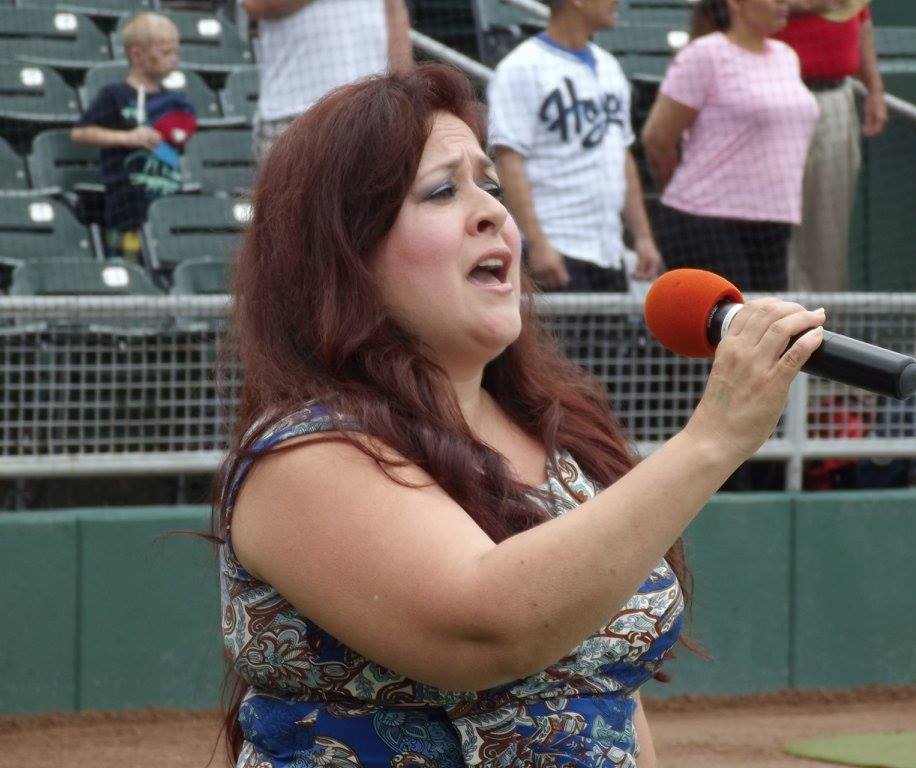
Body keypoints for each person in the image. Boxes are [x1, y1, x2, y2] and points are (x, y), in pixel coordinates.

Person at [213, 62, 824, 766]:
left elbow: (605, 687)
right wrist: (713, 439)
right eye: (442, 191)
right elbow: (487, 631)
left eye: (491, 186)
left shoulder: (555, 436)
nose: (492, 213)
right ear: (343, 255)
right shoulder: (305, 456)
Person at [641, 0, 818, 293]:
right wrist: (689, 196)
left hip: (774, 220)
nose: (785, 3)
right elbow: (657, 138)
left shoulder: (787, 56)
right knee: (726, 331)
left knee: (768, 329)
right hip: (704, 220)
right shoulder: (705, 53)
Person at [487, 0, 661, 292]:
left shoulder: (609, 66)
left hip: (608, 249)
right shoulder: (520, 68)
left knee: (609, 338)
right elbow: (508, 161)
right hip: (556, 246)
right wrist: (538, 244)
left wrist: (642, 236)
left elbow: (621, 155)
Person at [775, 0, 888, 291]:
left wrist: (874, 88)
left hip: (832, 95)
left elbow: (860, 21)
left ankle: (818, 325)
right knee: (764, 225)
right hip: (768, 97)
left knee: (826, 229)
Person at [71, 12, 196, 262]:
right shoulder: (114, 95)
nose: (174, 60)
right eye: (165, 53)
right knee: (129, 260)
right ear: (137, 54)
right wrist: (128, 137)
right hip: (126, 202)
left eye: (176, 52)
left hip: (169, 199)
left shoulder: (177, 101)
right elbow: (80, 133)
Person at [242, 0, 413, 162]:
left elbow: (394, 12)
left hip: (377, 112)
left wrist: (406, 96)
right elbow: (256, 5)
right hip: (295, 116)